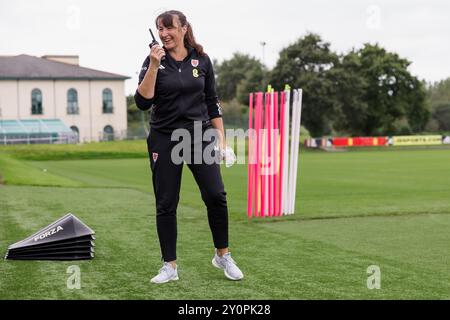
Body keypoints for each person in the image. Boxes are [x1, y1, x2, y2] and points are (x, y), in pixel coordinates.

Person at [134, 10, 244, 283]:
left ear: (183, 28)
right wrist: (154, 65)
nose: (163, 34)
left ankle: (222, 255)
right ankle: (169, 266)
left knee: (216, 195)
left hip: (199, 135)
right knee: (166, 202)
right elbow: (142, 101)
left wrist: (222, 141)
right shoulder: (153, 61)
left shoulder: (202, 60)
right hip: (164, 137)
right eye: (159, 29)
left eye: (169, 27)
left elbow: (212, 102)